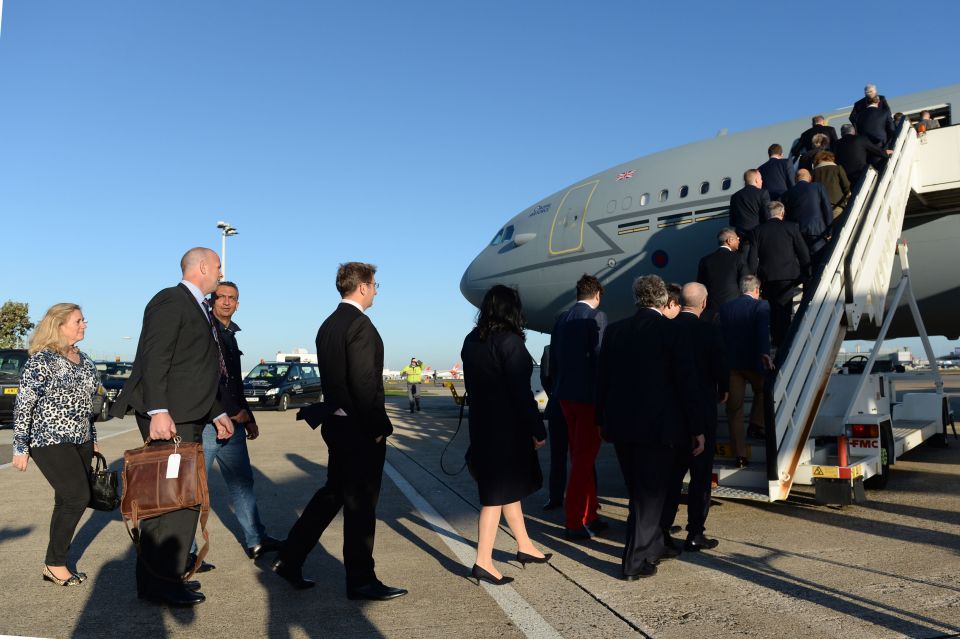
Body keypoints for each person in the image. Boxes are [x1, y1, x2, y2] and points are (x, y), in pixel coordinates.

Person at [273, 262, 407, 601]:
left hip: (337, 423)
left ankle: (291, 557)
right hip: (359, 429)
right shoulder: (360, 325)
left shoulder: (328, 324)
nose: (376, 290)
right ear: (362, 287)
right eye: (375, 284)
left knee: (333, 494)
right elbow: (364, 384)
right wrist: (379, 428)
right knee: (360, 506)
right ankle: (361, 580)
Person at [111, 247, 234, 607]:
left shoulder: (197, 306)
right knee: (169, 501)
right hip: (170, 418)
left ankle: (167, 576)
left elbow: (195, 369)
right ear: (201, 267)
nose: (220, 273)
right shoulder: (171, 300)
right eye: (217, 267)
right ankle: (160, 584)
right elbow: (156, 356)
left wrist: (217, 412)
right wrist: (158, 410)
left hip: (188, 414)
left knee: (183, 499)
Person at [596, 275, 698, 580]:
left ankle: (653, 547)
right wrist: (697, 427)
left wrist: (601, 421)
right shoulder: (672, 332)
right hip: (659, 429)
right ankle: (633, 562)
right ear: (663, 298)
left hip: (622, 427)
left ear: (636, 298)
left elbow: (602, 381)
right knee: (650, 498)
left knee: (638, 492)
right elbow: (686, 384)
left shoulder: (614, 332)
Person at [461, 285, 550, 585]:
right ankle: (483, 561)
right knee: (494, 496)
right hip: (506, 429)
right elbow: (521, 393)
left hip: (483, 425)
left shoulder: (471, 340)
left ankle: (524, 545)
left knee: (505, 490)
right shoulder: (509, 341)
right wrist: (537, 429)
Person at [191, 281, 284, 561]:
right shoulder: (206, 331)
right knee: (194, 488)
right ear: (211, 300)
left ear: (238, 303)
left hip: (234, 424)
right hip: (209, 422)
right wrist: (233, 411)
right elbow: (209, 380)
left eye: (232, 298)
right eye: (222, 297)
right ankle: (188, 551)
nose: (227, 302)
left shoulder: (230, 334)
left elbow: (234, 383)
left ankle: (256, 539)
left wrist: (248, 418)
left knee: (243, 482)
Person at [12, 303, 101, 587]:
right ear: (59, 325)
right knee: (77, 496)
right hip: (49, 439)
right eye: (78, 321)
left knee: (66, 500)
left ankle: (55, 562)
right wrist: (20, 447)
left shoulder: (84, 359)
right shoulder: (42, 360)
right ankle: (55, 563)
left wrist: (94, 437)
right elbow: (24, 404)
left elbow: (90, 405)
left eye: (83, 320)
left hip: (81, 438)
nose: (84, 324)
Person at [659, 283, 727, 551]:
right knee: (700, 478)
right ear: (704, 303)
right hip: (702, 414)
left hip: (671, 415)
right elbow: (722, 370)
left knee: (671, 477)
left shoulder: (665, 330)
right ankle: (695, 533)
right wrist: (722, 390)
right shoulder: (709, 332)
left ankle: (663, 530)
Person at [550, 275, 608, 539]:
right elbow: (600, 360)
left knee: (580, 456)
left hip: (564, 396)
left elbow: (554, 360)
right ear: (596, 294)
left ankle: (590, 514)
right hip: (587, 398)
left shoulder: (561, 319)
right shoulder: (596, 318)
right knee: (584, 461)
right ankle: (574, 520)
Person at [719, 275, 774, 467]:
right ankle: (756, 425)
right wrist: (765, 354)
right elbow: (762, 331)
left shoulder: (725, 308)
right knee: (763, 391)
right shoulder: (761, 306)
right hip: (753, 363)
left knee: (734, 411)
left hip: (732, 365)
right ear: (757, 290)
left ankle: (740, 456)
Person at [749, 202, 811, 347]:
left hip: (766, 277)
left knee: (772, 311)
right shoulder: (791, 227)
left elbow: (752, 258)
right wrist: (806, 274)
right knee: (784, 309)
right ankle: (784, 342)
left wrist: (752, 277)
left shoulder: (757, 231)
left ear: (768, 214)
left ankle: (776, 340)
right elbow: (803, 253)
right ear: (782, 213)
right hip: (788, 276)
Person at [780, 169, 834, 266]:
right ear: (809, 178)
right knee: (821, 261)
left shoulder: (787, 194)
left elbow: (786, 217)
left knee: (804, 262)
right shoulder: (818, 187)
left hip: (798, 233)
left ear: (796, 179)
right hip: (818, 232)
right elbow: (827, 209)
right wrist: (830, 230)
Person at [697, 228, 748, 322]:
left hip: (711, 310)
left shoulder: (705, 260)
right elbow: (745, 283)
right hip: (734, 308)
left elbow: (700, 286)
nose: (739, 240)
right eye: (737, 238)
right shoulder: (739, 258)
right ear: (729, 240)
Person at [539, 343, 568, 511]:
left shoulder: (550, 349)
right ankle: (588, 498)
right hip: (578, 407)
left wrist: (555, 394)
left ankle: (556, 497)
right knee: (583, 457)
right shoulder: (582, 345)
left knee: (558, 457)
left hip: (557, 407)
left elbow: (545, 377)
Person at [728, 169, 771, 247]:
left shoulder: (735, 197)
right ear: (756, 180)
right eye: (761, 179)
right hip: (758, 236)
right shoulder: (762, 193)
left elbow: (732, 221)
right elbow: (767, 217)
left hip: (742, 238)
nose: (762, 181)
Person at [813, 151, 852, 218]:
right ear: (830, 158)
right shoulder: (838, 168)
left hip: (819, 206)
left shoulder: (813, 172)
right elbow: (846, 186)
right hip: (837, 204)